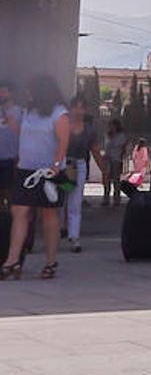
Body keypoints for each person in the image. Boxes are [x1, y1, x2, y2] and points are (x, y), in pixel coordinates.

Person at [2, 74, 70, 280]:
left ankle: (50, 262)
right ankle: (12, 260)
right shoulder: (28, 112)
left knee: (49, 215)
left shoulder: (60, 114)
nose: (27, 94)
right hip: (25, 170)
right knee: (19, 211)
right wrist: (14, 126)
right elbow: (26, 134)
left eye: (31, 90)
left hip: (49, 171)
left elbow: (63, 142)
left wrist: (56, 166)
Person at [62, 95, 106, 253]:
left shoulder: (89, 130)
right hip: (62, 165)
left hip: (78, 166)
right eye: (76, 107)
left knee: (75, 201)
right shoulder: (63, 124)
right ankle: (59, 229)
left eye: (82, 107)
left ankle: (74, 237)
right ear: (71, 108)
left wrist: (104, 170)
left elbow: (95, 150)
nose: (79, 111)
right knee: (59, 200)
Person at [0, 80, 23, 207]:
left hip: (11, 159)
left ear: (12, 94)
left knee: (10, 192)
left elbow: (26, 136)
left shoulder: (20, 112)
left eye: (4, 91)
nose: (1, 95)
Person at [101, 119, 127, 206]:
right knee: (106, 180)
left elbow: (123, 148)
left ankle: (116, 200)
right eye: (110, 125)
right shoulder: (108, 135)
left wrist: (121, 157)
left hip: (116, 159)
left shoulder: (121, 136)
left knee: (116, 181)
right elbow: (106, 146)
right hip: (107, 159)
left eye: (112, 125)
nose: (111, 127)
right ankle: (106, 199)